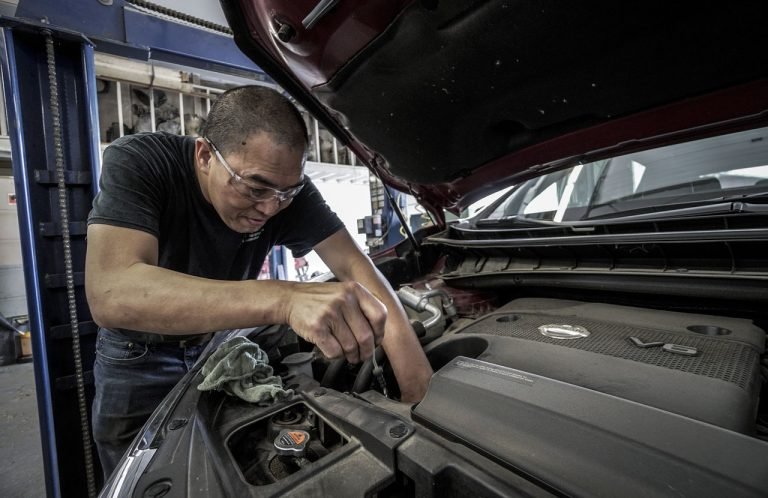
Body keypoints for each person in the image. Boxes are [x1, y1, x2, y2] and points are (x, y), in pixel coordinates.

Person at [85, 85, 433, 480]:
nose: (270, 208)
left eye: (287, 192)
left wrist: (417, 389)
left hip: (219, 346)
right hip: (138, 356)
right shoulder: (142, 161)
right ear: (204, 155)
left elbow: (357, 268)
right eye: (255, 188)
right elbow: (112, 292)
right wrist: (284, 299)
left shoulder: (285, 192)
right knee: (141, 476)